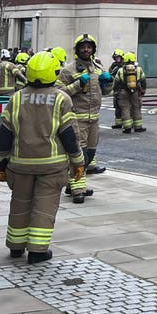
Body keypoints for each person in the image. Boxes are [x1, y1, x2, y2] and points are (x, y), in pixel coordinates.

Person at [0, 51, 84, 264]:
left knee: (20, 204)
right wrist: (78, 162)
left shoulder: (17, 98)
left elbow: (3, 133)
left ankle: (16, 246)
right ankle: (37, 250)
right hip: (52, 166)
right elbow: (69, 135)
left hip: (20, 165)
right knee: (44, 206)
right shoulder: (61, 98)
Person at [57, 33, 111, 197]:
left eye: (89, 47)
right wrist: (77, 85)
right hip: (76, 119)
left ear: (93, 49)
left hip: (94, 119)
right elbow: (58, 93)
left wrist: (108, 82)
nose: (86, 50)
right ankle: (78, 189)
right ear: (77, 49)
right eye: (83, 47)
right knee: (78, 155)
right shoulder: (68, 70)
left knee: (90, 154)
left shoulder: (98, 68)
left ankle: (71, 184)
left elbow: (107, 92)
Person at [118, 51, 147, 133]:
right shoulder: (139, 69)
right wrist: (143, 90)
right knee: (136, 108)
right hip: (135, 92)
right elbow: (143, 80)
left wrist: (116, 91)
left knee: (125, 108)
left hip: (123, 92)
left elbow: (116, 82)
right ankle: (138, 127)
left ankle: (127, 128)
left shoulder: (120, 70)